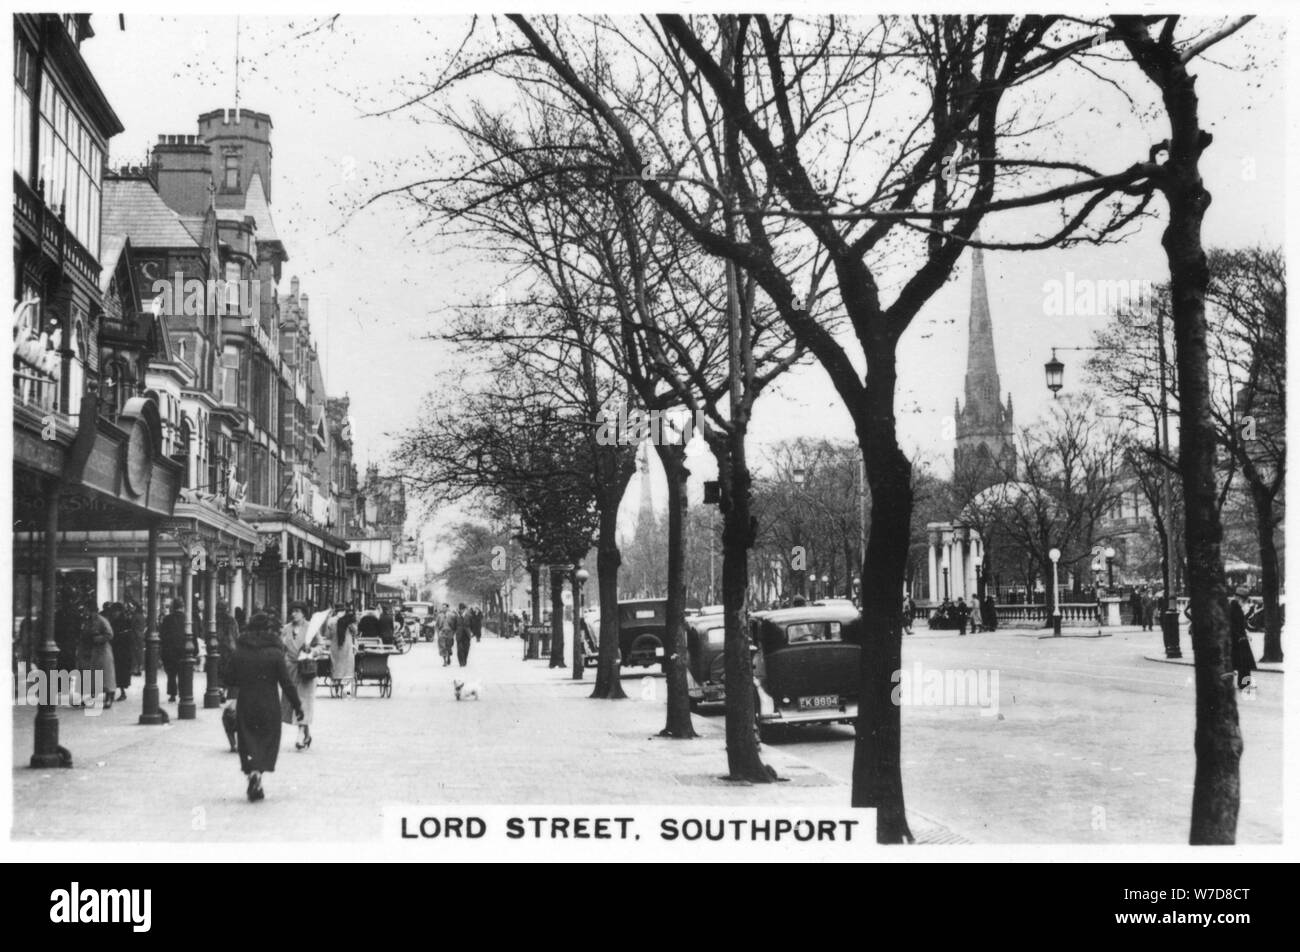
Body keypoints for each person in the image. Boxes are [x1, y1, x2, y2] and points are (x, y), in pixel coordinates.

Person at [225, 612, 304, 802]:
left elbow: (228, 678)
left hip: (246, 702)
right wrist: (297, 705)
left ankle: (252, 770)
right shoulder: (276, 653)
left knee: (248, 739)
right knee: (267, 740)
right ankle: (258, 772)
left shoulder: (240, 651)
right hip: (269, 703)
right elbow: (286, 683)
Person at [280, 602, 320, 750]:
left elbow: (320, 645)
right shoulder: (286, 629)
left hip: (306, 669)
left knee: (304, 702)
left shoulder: (311, 628)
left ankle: (300, 735)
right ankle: (307, 735)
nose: (294, 614)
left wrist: (312, 650)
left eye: (297, 611)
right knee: (295, 703)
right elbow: (281, 647)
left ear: (304, 613)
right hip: (290, 670)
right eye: (292, 611)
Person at [78, 602, 117, 709]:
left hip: (102, 651)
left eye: (86, 610)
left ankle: (109, 697)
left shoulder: (102, 620)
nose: (85, 612)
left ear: (92, 611)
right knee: (91, 675)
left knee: (106, 676)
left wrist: (98, 638)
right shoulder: (87, 621)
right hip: (91, 651)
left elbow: (109, 634)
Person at [1228, 587, 1258, 691]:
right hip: (1238, 640)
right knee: (1244, 663)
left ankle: (1244, 683)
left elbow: (1240, 623)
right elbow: (1232, 625)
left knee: (1243, 663)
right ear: (1238, 598)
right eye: (1244, 600)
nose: (1245, 602)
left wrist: (1245, 634)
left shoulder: (1235, 607)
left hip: (1240, 639)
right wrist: (1240, 636)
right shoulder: (1233, 608)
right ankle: (1244, 684)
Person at [159, 599, 188, 702]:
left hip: (169, 650)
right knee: (182, 673)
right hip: (183, 650)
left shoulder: (167, 619)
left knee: (171, 674)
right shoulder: (186, 618)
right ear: (183, 607)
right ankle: (183, 693)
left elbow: (162, 635)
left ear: (172, 607)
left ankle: (172, 694)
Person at [328, 609, 357, 696]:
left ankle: (336, 685)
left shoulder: (331, 621)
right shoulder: (349, 621)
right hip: (347, 647)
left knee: (336, 667)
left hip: (335, 647)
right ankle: (347, 693)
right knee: (348, 669)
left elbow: (328, 635)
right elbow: (355, 632)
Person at [108, 602, 133, 701]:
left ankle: (120, 692)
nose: (114, 613)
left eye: (116, 611)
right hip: (120, 650)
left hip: (121, 650)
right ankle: (116, 692)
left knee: (119, 672)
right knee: (116, 672)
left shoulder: (123, 621)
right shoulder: (117, 621)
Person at [454, 603, 473, 667]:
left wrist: (471, 632)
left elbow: (472, 625)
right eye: (460, 609)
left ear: (465, 609)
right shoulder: (456, 616)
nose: (461, 610)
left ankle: (464, 660)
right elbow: (454, 625)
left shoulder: (469, 616)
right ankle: (461, 662)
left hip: (466, 634)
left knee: (466, 649)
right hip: (459, 634)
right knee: (459, 649)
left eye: (462, 609)